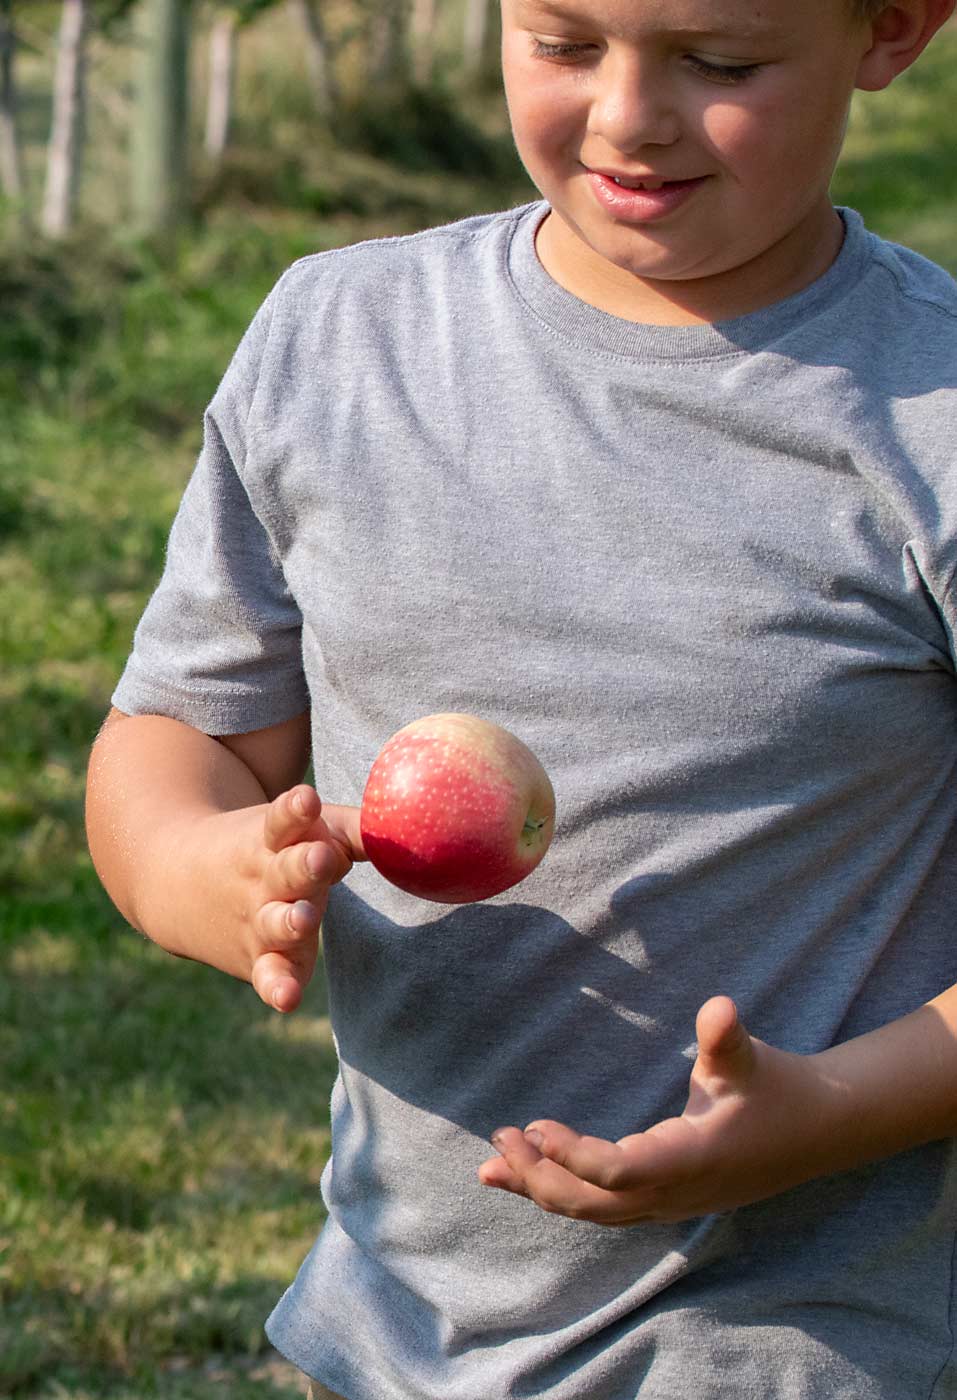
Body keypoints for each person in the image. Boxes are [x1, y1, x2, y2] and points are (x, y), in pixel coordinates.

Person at [85, 0, 957, 1394]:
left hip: (803, 1345)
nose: (626, 115)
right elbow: (183, 733)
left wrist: (825, 1111)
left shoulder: (929, 413)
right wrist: (200, 867)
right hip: (397, 1330)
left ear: (894, 28)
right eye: (561, 42)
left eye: (719, 64)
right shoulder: (341, 338)